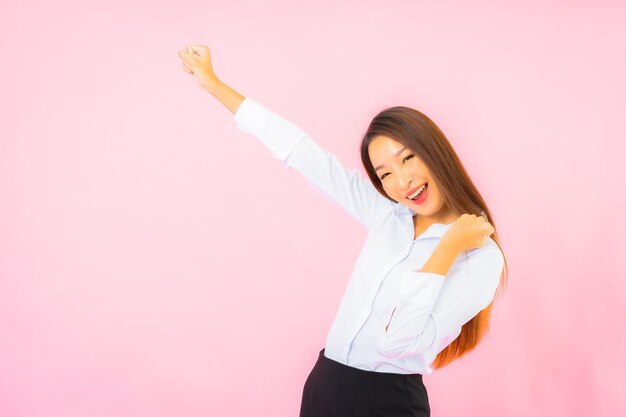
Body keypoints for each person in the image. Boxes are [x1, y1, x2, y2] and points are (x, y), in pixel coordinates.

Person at [178, 44, 508, 417]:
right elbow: (303, 154)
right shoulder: (388, 215)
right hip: (326, 384)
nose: (402, 182)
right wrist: (214, 84)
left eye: (407, 158)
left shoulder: (481, 257)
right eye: (385, 174)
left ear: (434, 151)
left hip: (389, 402)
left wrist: (447, 248)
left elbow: (397, 343)